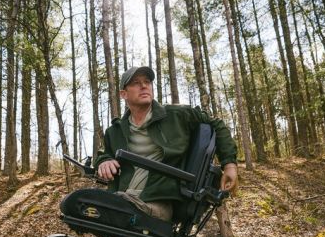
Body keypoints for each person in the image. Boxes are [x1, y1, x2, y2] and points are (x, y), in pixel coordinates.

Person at [95, 66, 238, 222]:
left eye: (147, 82)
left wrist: (229, 165)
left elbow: (216, 124)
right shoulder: (114, 131)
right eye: (136, 83)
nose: (144, 86)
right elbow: (105, 154)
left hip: (157, 203)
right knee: (75, 205)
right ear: (124, 94)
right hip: (121, 197)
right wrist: (104, 161)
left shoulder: (176, 115)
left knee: (106, 208)